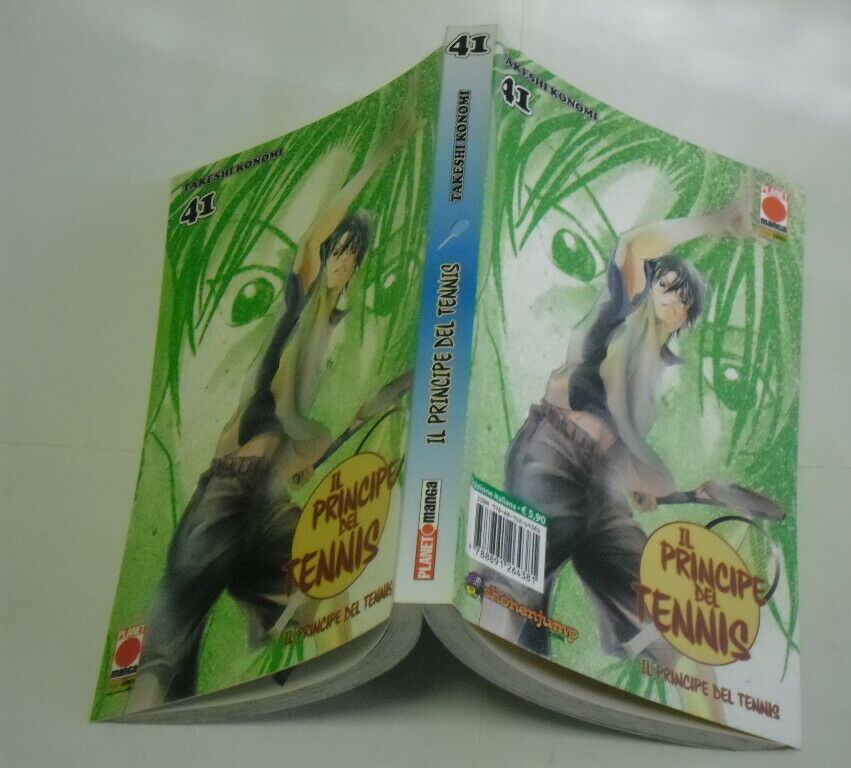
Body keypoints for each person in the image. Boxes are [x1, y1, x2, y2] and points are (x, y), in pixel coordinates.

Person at [127, 117, 416, 712]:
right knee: (164, 659)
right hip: (230, 490)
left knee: (321, 581)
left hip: (272, 505)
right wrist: (382, 153)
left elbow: (327, 429)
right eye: (339, 250)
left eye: (351, 256)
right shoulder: (301, 304)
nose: (341, 261)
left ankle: (330, 680)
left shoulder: (342, 335)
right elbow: (313, 240)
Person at [479, 193, 753, 666]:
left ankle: (667, 681)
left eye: (683, 298)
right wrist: (719, 221)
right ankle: (488, 662)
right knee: (516, 585)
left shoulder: (658, 376)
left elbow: (624, 448)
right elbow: (634, 245)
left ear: (686, 317)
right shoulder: (623, 310)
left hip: (601, 488)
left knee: (652, 607)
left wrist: (646, 489)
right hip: (553, 455)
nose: (671, 297)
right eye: (666, 284)